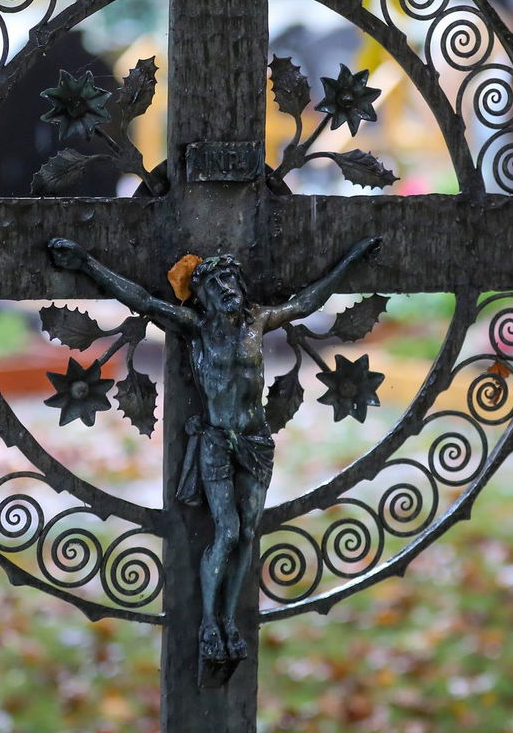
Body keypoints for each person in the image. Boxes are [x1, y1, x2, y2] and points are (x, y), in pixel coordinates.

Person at [47, 234, 379, 662]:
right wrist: (85, 262)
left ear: (241, 285)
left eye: (229, 280)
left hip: (256, 441)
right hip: (217, 441)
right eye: (212, 285)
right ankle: (209, 622)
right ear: (200, 298)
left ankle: (229, 619)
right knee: (227, 531)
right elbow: (142, 301)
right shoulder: (197, 329)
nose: (224, 289)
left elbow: (307, 302)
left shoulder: (259, 321)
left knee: (247, 533)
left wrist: (352, 259)